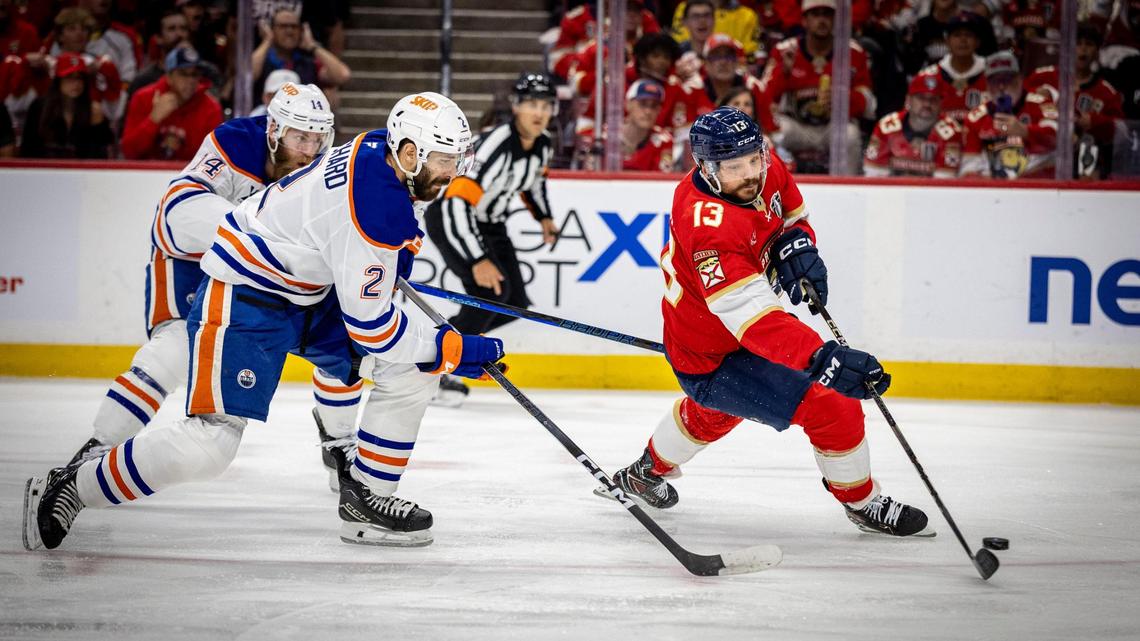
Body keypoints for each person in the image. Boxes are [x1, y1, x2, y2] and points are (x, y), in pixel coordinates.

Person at [24, 92, 506, 552]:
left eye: (456, 158)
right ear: (408, 153)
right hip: (246, 291)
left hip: (304, 289)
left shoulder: (379, 148)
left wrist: (403, 297)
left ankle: (365, 499)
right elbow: (373, 329)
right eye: (445, 159)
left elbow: (363, 247)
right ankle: (71, 486)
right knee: (211, 445)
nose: (453, 171)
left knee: (410, 369)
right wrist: (452, 348)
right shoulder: (377, 205)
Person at [607, 107, 932, 540]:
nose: (751, 174)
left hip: (713, 336)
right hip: (712, 356)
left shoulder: (764, 163)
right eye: (734, 167)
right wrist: (823, 359)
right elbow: (755, 321)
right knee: (831, 404)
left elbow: (793, 218)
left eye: (754, 160)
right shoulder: (708, 227)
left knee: (716, 413)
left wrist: (796, 245)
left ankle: (644, 473)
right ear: (705, 167)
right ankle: (862, 503)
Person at [63, 81, 347, 487]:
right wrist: (257, 234)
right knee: (175, 350)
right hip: (189, 261)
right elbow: (175, 213)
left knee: (346, 339)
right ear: (274, 132)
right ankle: (93, 453)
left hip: (253, 269)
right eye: (301, 137)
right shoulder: (234, 144)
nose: (310, 150)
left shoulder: (322, 168)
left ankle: (338, 441)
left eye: (319, 138)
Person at [424, 72, 559, 407]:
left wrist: (543, 217)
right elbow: (455, 201)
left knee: (514, 304)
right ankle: (441, 368)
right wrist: (476, 259)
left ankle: (437, 345)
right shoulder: (497, 142)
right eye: (531, 104)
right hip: (452, 218)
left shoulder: (543, 144)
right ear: (515, 107)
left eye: (545, 105)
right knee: (487, 292)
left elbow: (533, 182)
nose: (538, 112)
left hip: (490, 224)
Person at [757, 0, 874, 173]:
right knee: (775, 133)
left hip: (833, 126)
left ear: (835, 19)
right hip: (797, 126)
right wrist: (784, 73)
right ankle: (777, 187)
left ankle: (848, 189)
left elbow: (869, 103)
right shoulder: (785, 50)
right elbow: (764, 97)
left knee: (850, 135)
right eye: (815, 14)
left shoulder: (853, 53)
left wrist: (842, 97)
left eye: (827, 14)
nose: (822, 20)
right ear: (804, 20)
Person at [1025, 22, 1124, 179]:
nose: (1082, 49)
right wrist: (1037, 100)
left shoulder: (1106, 92)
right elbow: (1019, 108)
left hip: (1086, 164)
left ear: (1097, 51)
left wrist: (1095, 122)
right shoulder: (1040, 78)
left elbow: (1120, 130)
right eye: (1077, 44)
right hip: (1040, 159)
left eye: (1089, 44)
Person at [960, 51, 1058, 179]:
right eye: (995, 81)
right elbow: (968, 169)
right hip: (994, 189)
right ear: (987, 85)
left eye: (1007, 79)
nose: (1001, 87)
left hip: (1039, 186)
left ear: (1020, 79)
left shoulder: (1041, 104)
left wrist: (1025, 131)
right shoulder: (975, 118)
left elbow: (1061, 139)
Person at [120, 46, 222, 161]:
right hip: (146, 174)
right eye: (183, 74)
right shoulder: (143, 98)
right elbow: (128, 152)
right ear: (169, 77)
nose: (190, 80)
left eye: (195, 74)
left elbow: (212, 159)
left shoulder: (210, 108)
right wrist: (153, 119)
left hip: (190, 175)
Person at [863, 72, 963, 178]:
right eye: (921, 98)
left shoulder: (951, 131)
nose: (927, 104)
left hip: (933, 193)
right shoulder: (886, 127)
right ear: (908, 100)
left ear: (940, 103)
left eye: (933, 99)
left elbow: (945, 180)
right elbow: (873, 173)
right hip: (892, 192)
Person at [19, 52, 113, 159]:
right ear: (58, 80)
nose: (76, 84)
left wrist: (97, 125)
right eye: (69, 77)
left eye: (80, 78)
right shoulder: (40, 106)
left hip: (83, 172)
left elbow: (101, 155)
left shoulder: (93, 110)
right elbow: (28, 149)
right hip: (44, 170)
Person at [252, 8, 351, 100]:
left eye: (294, 27)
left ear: (301, 31)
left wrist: (312, 46)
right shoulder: (262, 60)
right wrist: (267, 41)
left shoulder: (310, 63)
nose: (289, 31)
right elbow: (248, 75)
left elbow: (343, 75)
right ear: (272, 30)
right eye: (283, 26)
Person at [915, 12, 990, 124]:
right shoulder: (927, 77)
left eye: (968, 35)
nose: (963, 40)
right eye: (957, 35)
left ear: (977, 42)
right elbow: (913, 118)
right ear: (947, 41)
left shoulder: (992, 75)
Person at [127, 9, 190, 104]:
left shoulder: (206, 72)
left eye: (183, 28)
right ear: (158, 38)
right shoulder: (143, 80)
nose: (179, 34)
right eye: (172, 29)